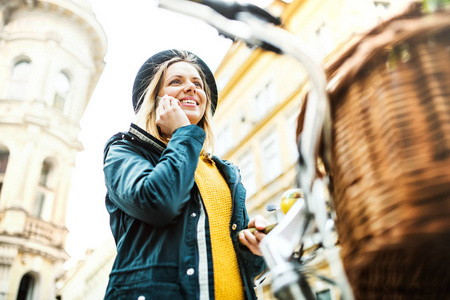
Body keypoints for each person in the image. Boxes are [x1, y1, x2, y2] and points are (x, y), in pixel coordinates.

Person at [103, 49, 267, 300]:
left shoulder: (225, 172)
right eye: (176, 82)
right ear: (155, 100)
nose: (191, 88)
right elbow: (158, 203)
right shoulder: (125, 150)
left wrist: (254, 252)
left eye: (197, 84)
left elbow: (230, 263)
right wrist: (182, 133)